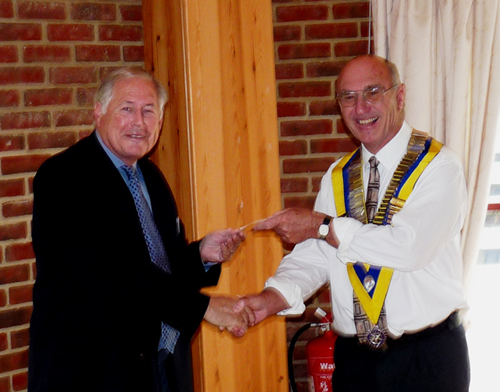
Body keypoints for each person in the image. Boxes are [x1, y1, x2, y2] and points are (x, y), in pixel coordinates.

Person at [235, 55, 470, 391]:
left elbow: (408, 248)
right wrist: (272, 297)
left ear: (400, 97)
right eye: (348, 97)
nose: (360, 108)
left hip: (426, 358)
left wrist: (322, 225)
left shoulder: (440, 167)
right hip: (355, 358)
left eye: (373, 92)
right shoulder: (337, 176)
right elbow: (316, 255)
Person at [28, 67, 252, 392]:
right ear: (98, 112)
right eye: (127, 108)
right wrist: (203, 308)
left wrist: (202, 254)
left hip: (159, 366)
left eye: (149, 111)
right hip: (92, 373)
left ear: (160, 122)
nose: (139, 122)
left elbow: (162, 267)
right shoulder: (64, 177)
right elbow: (109, 273)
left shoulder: (152, 177)